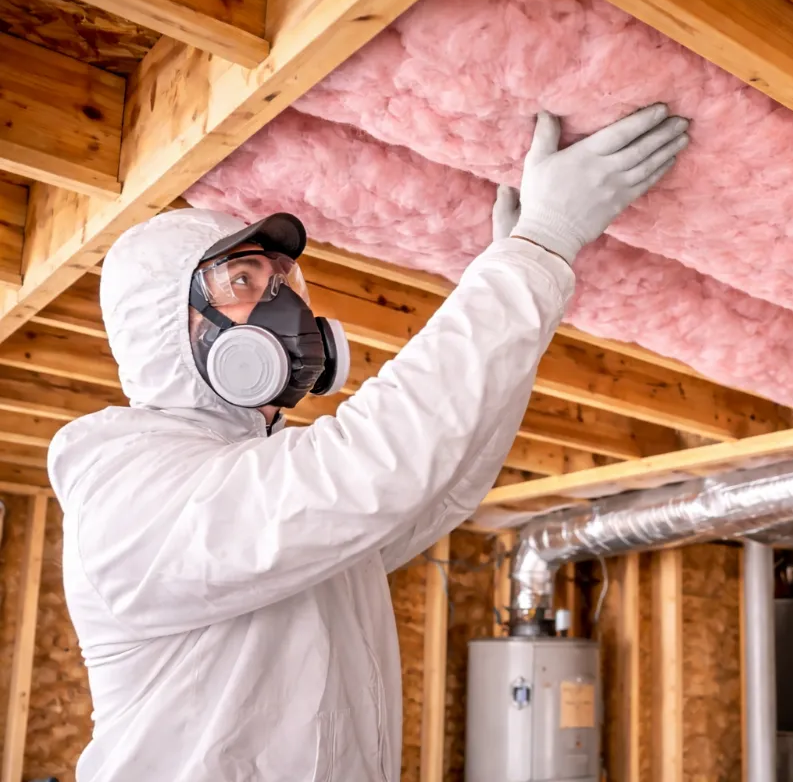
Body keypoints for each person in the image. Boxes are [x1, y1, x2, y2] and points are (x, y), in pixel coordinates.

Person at [47, 105, 690, 781]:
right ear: (165, 327)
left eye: (282, 282)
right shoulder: (126, 493)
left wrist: (522, 282)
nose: (282, 303)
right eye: (243, 281)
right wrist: (537, 249)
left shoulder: (275, 503)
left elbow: (439, 487)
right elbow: (372, 466)